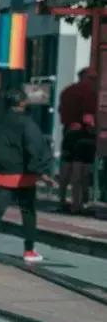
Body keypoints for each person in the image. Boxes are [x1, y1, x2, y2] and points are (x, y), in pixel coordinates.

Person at [0, 87, 55, 264]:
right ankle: (29, 250)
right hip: (24, 174)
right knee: (28, 212)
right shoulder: (27, 123)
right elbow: (35, 148)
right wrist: (41, 172)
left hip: (2, 172)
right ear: (23, 102)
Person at [57, 67, 98, 213]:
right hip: (83, 133)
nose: (95, 81)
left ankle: (61, 199)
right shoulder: (89, 92)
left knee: (66, 166)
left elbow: (60, 111)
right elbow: (88, 117)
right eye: (92, 78)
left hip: (68, 131)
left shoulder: (67, 91)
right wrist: (96, 129)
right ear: (85, 77)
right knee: (81, 170)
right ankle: (78, 203)